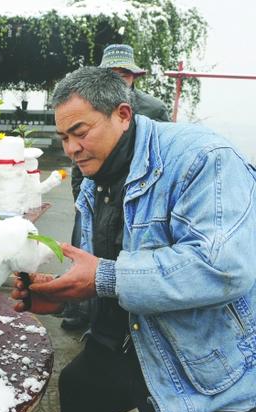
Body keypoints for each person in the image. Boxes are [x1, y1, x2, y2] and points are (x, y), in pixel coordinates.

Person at [12, 66, 256, 412]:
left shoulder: (204, 157)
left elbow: (223, 268)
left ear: (123, 115)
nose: (71, 149)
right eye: (63, 137)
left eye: (79, 133)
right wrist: (68, 295)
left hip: (202, 365)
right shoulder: (99, 174)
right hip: (129, 340)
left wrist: (104, 279)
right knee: (79, 386)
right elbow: (106, 267)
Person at [62, 44, 170, 331]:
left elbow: (161, 156)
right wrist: (80, 197)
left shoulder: (154, 109)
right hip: (94, 190)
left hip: (135, 190)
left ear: (134, 75)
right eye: (113, 72)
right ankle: (77, 308)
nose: (120, 77)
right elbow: (78, 155)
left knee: (123, 252)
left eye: (125, 72)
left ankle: (121, 317)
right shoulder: (85, 105)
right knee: (81, 246)